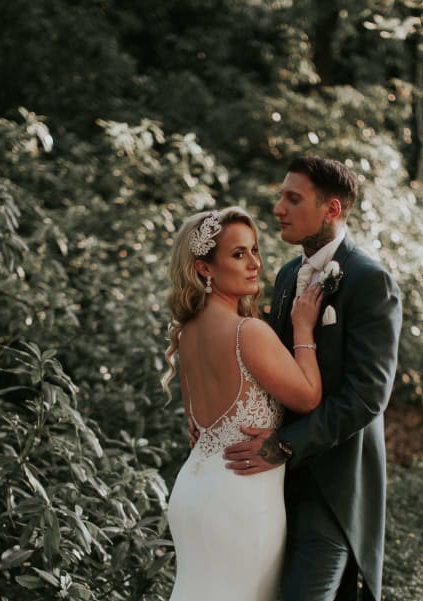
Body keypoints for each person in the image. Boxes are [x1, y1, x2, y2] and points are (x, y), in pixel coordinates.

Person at [223, 157, 402, 601]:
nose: (278, 207)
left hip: (335, 484)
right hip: (278, 480)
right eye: (281, 195)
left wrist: (285, 444)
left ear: (332, 209)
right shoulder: (286, 276)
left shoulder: (369, 280)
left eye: (293, 198)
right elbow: (275, 372)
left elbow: (367, 396)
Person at [162, 206, 326, 601]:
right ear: (204, 268)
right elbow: (307, 397)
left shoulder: (186, 334)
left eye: (254, 250)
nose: (255, 263)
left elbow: (196, 428)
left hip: (192, 493)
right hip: (241, 496)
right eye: (238, 254)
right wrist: (304, 329)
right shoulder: (247, 332)